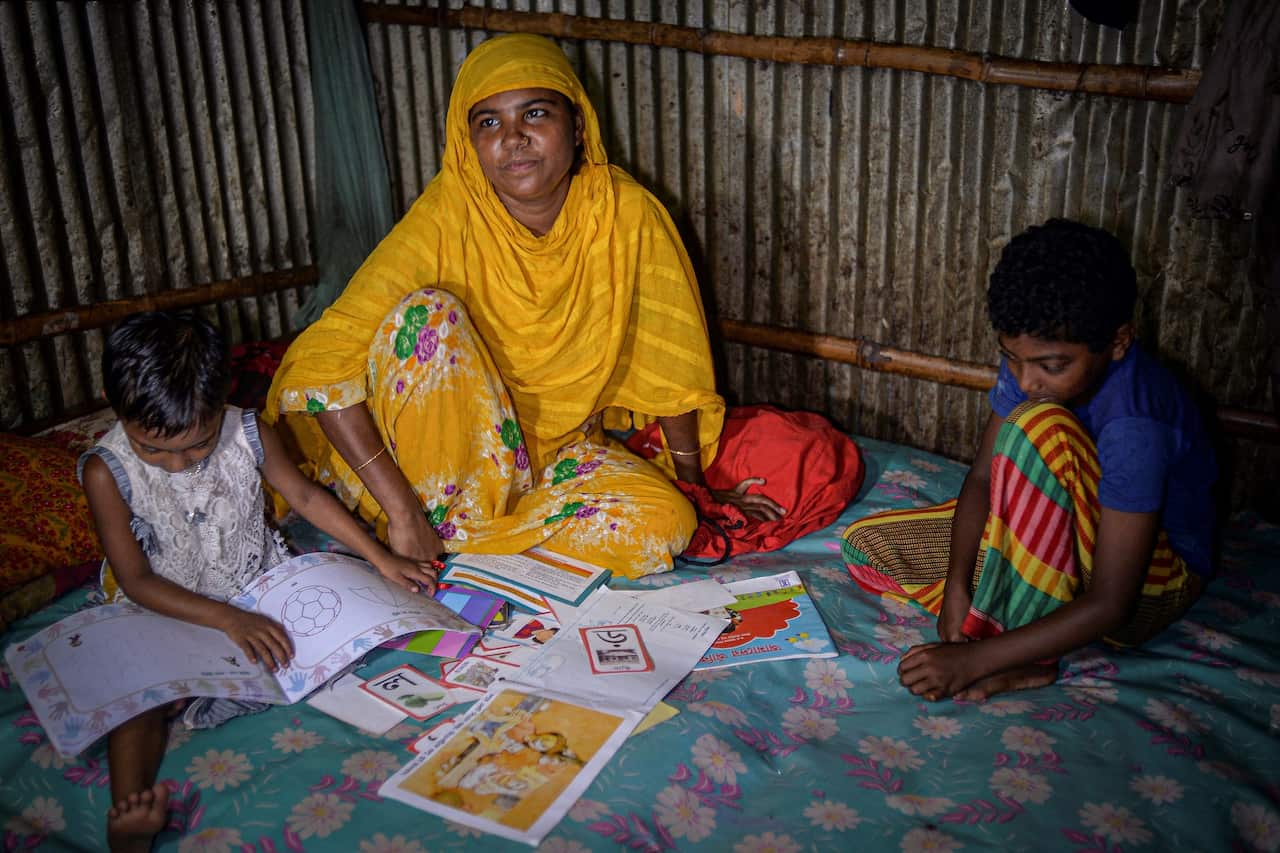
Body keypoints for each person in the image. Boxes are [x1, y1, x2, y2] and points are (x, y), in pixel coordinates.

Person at [265, 34, 783, 580]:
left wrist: (693, 488)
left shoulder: (624, 214)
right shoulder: (445, 218)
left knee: (665, 524)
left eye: (535, 114)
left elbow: (670, 367)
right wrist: (400, 508)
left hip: (555, 454)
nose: (514, 139)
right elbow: (321, 364)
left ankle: (463, 540)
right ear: (468, 144)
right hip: (437, 464)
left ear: (578, 126)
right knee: (427, 317)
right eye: (488, 122)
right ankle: (431, 522)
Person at [81, 311, 440, 853]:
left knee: (345, 621)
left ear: (217, 404)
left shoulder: (247, 431)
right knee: (138, 696)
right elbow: (134, 579)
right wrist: (228, 619)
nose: (177, 464)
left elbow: (307, 498)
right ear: (119, 413)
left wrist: (381, 556)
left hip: (251, 581)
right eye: (153, 449)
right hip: (160, 603)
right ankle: (130, 810)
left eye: (198, 446)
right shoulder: (106, 470)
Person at [842, 218, 1217, 702]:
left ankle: (1027, 658)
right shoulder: (1031, 353)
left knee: (1038, 426)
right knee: (868, 545)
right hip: (1078, 540)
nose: (1027, 379)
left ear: (1119, 341)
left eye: (1052, 365)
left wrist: (973, 659)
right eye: (1012, 358)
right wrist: (957, 586)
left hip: (1151, 584)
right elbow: (980, 479)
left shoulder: (1135, 425)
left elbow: (1112, 602)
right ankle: (1012, 610)